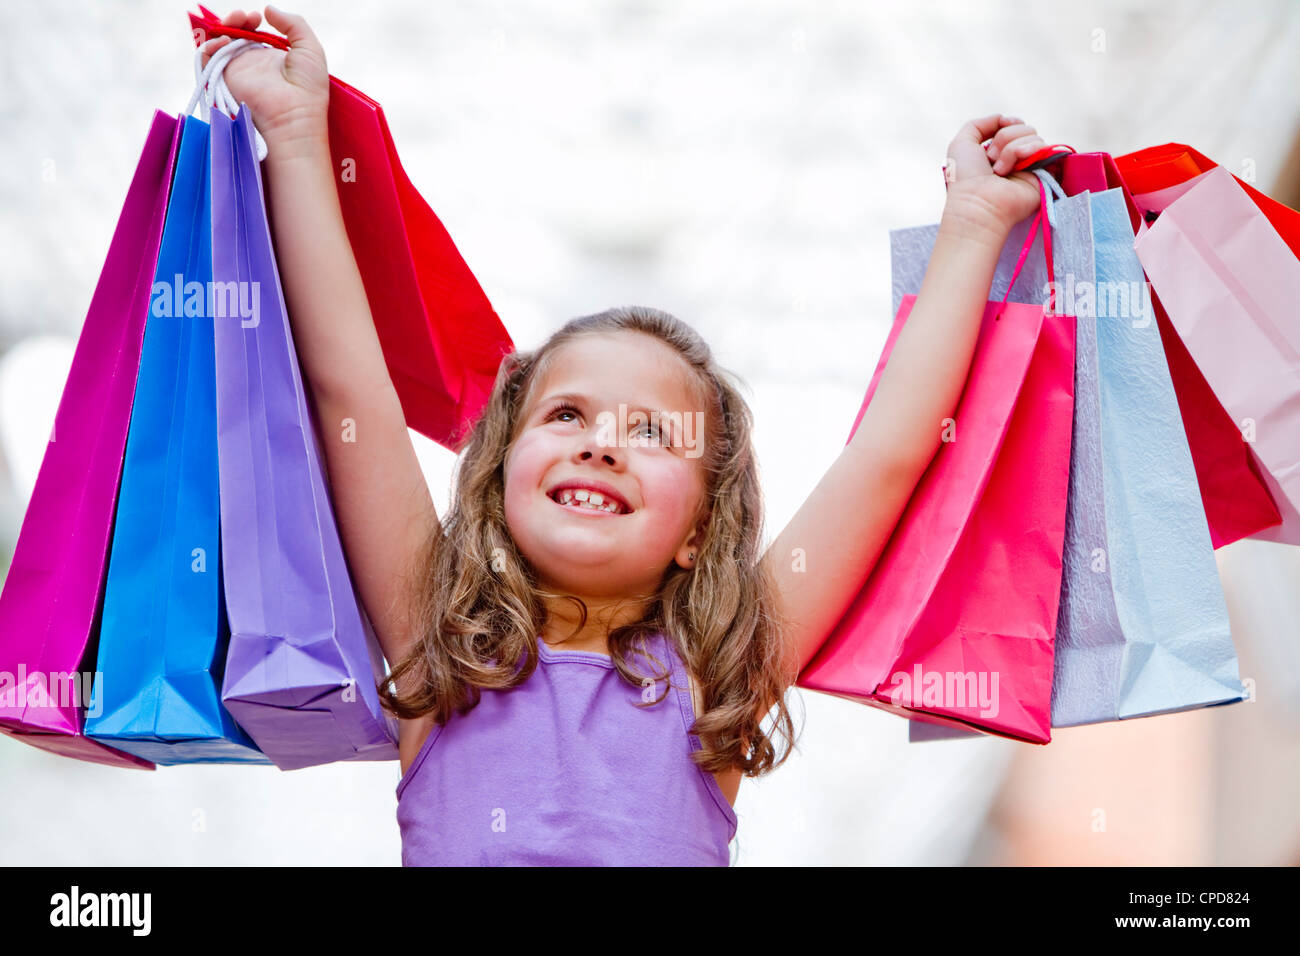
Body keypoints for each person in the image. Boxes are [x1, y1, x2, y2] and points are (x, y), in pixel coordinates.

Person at [201, 5, 1051, 866]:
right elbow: (351, 389)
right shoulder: (437, 656)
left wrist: (975, 224)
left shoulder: (721, 677)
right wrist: (297, 131)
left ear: (698, 533)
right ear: (496, 480)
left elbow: (886, 458)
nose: (600, 444)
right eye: (565, 414)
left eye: (651, 432)